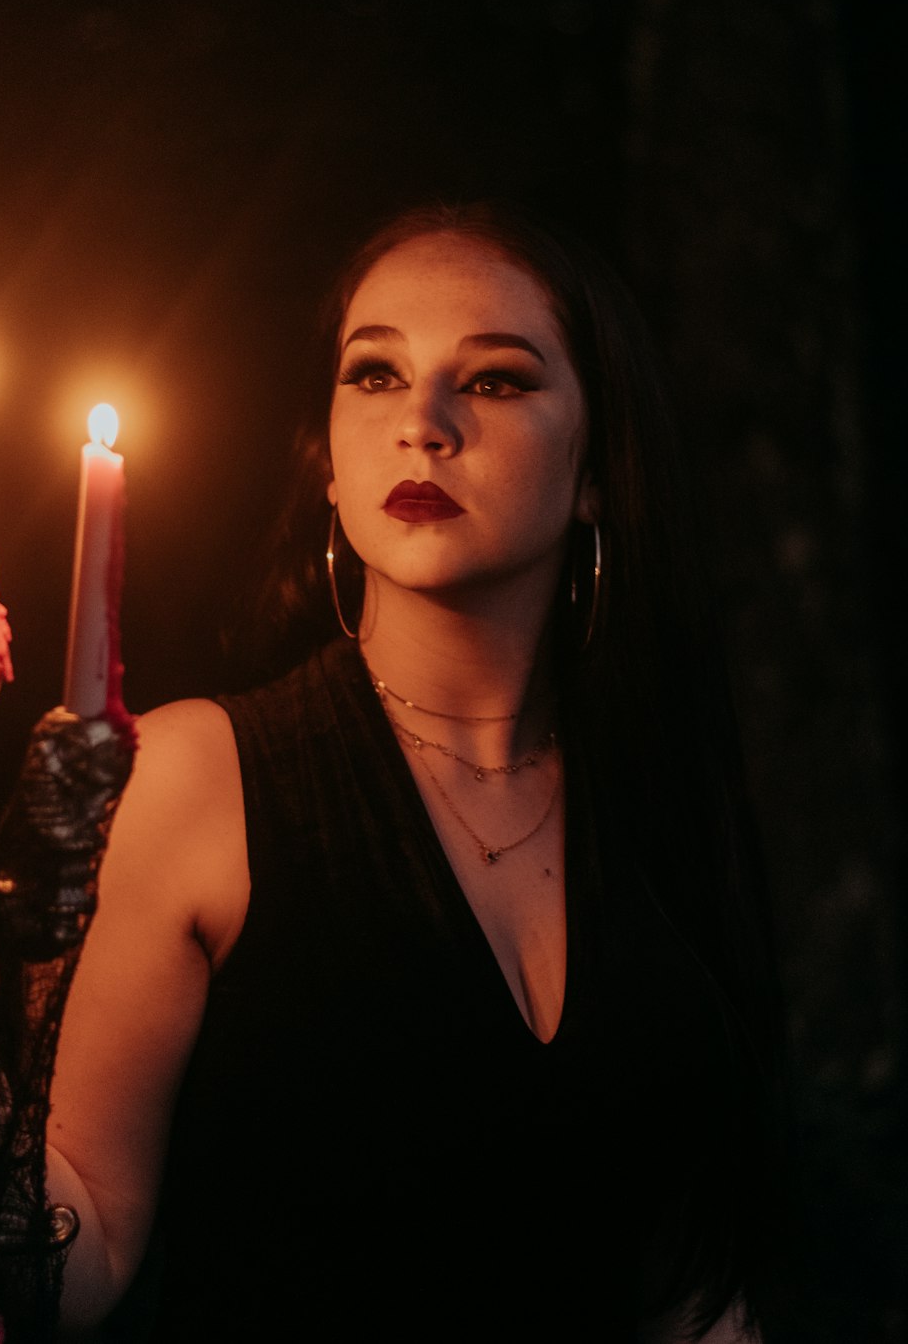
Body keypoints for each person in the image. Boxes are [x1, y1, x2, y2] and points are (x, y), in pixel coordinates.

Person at [43, 202, 787, 1341]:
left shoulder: (654, 794)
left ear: (597, 466)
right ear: (329, 469)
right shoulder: (198, 776)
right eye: (375, 375)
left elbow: (697, 1292)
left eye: (494, 381)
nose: (422, 424)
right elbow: (79, 1249)